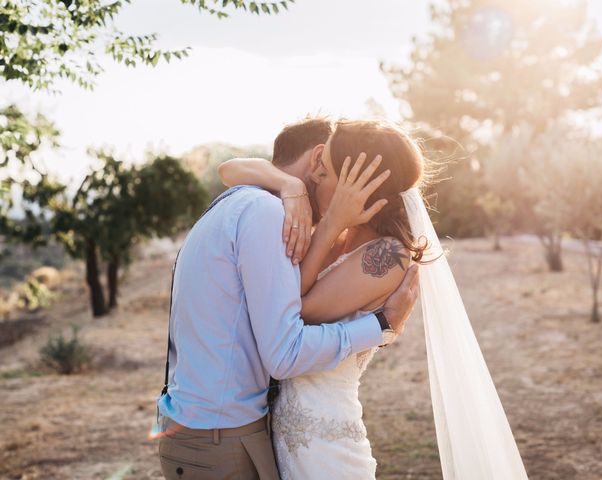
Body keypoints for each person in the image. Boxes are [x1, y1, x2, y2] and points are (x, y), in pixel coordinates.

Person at [155, 117, 420, 480]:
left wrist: (326, 221)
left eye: (327, 172)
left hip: (323, 435)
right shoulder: (284, 218)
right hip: (255, 431)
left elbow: (296, 307)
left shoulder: (387, 252)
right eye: (320, 170)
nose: (319, 178)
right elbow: (230, 169)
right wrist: (301, 196)